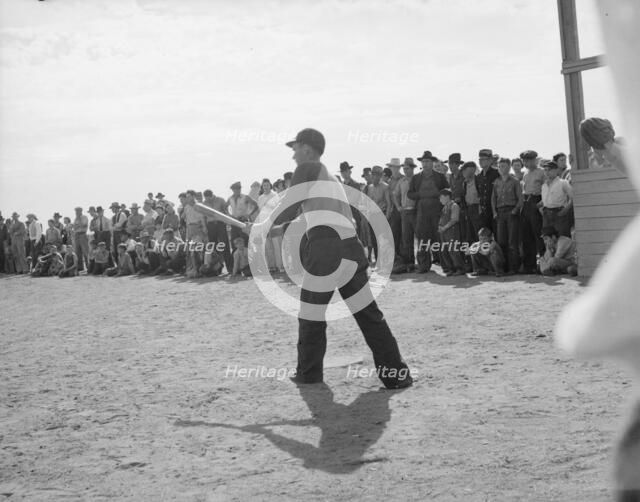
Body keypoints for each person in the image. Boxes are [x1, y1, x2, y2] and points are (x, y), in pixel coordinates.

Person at [248, 127, 412, 389]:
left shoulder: (308, 168)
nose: (293, 156)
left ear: (308, 149)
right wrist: (271, 229)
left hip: (326, 248)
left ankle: (309, 373)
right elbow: (311, 213)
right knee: (369, 315)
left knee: (311, 312)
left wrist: (262, 224)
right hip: (350, 247)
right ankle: (396, 375)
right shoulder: (329, 178)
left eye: (295, 149)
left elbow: (290, 203)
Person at [408, 150, 449, 271]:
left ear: (432, 163)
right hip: (422, 210)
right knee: (422, 238)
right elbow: (410, 194)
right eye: (423, 161)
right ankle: (423, 266)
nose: (425, 164)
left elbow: (448, 191)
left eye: (427, 161)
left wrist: (438, 194)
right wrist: (420, 194)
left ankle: (446, 265)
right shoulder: (416, 178)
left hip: (437, 210)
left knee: (440, 237)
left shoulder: (440, 177)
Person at [491, 157, 523, 274]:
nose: (501, 168)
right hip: (500, 213)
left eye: (503, 166)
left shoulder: (515, 181)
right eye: (499, 166)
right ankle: (502, 268)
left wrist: (514, 211)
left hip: (511, 212)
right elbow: (493, 199)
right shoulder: (496, 182)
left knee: (512, 242)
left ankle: (513, 268)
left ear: (509, 167)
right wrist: (494, 212)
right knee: (501, 241)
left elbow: (520, 199)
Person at [520, 150, 545, 274]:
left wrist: (539, 205)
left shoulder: (541, 172)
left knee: (538, 234)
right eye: (524, 161)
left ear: (534, 159)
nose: (526, 163)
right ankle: (529, 266)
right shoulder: (525, 174)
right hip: (526, 203)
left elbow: (546, 189)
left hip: (537, 201)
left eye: (528, 160)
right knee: (527, 235)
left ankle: (543, 264)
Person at [364, 165, 392, 265]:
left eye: (378, 175)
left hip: (382, 215)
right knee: (374, 241)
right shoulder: (370, 188)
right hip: (372, 216)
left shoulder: (385, 187)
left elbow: (389, 204)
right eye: (374, 175)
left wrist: (387, 218)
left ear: (380, 176)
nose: (375, 177)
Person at [393, 158, 417, 271]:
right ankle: (409, 263)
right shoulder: (401, 181)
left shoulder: (418, 179)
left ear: (412, 168)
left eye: (407, 168)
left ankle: (422, 263)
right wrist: (398, 206)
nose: (405, 170)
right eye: (404, 168)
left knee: (420, 237)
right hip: (405, 212)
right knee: (406, 239)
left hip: (416, 211)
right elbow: (395, 194)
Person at [540, 160, 573, 237]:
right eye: (545, 170)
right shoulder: (544, 185)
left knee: (562, 237)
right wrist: (540, 208)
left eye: (549, 170)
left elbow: (572, 198)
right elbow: (545, 200)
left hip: (559, 213)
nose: (547, 172)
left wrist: (565, 210)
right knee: (548, 238)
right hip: (546, 214)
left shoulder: (563, 183)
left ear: (556, 170)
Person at [257, 178, 284, 273]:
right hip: (264, 223)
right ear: (262, 187)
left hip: (274, 222)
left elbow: (278, 209)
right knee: (268, 246)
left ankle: (280, 266)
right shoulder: (260, 198)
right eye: (264, 185)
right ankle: (271, 266)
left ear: (270, 185)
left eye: (267, 185)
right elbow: (260, 212)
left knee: (277, 245)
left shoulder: (275, 195)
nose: (266, 187)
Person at [203, 188, 232, 273]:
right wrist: (205, 227)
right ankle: (217, 269)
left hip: (220, 224)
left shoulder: (220, 200)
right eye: (206, 198)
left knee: (225, 245)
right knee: (214, 248)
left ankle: (230, 268)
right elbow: (204, 217)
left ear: (212, 195)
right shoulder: (204, 203)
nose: (207, 200)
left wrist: (228, 222)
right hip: (210, 225)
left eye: (208, 198)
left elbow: (226, 211)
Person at [437, 189, 465, 276]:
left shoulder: (454, 206)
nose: (440, 200)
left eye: (441, 197)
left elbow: (454, 219)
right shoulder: (445, 207)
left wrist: (444, 227)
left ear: (447, 197)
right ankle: (451, 268)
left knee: (453, 250)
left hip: (452, 231)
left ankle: (460, 268)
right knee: (445, 250)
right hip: (444, 232)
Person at [227, 182, 258, 248]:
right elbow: (225, 207)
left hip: (243, 221)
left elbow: (256, 205)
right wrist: (229, 215)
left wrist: (249, 214)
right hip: (234, 222)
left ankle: (248, 256)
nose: (238, 190)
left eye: (239, 188)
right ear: (233, 190)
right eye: (236, 189)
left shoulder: (245, 197)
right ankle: (236, 257)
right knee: (234, 240)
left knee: (245, 240)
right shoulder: (230, 199)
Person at [476, 149, 500, 233]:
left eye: (484, 159)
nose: (481, 161)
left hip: (496, 210)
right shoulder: (478, 177)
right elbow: (479, 194)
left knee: (498, 236)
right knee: (485, 236)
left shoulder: (497, 173)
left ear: (490, 160)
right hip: (484, 211)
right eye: (480, 159)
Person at [385, 158, 404, 260]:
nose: (394, 169)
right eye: (392, 167)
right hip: (393, 211)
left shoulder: (404, 179)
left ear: (399, 168)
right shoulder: (389, 181)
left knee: (404, 235)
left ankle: (405, 259)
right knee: (394, 235)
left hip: (403, 209)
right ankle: (397, 258)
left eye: (396, 167)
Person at [73, 207, 90, 272]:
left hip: (83, 234)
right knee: (77, 251)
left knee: (85, 251)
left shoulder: (84, 217)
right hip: (77, 235)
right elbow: (75, 228)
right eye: (76, 211)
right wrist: (77, 226)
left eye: (78, 211)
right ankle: (80, 267)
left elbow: (84, 225)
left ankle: (88, 266)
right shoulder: (75, 218)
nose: (76, 212)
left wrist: (78, 225)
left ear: (81, 211)